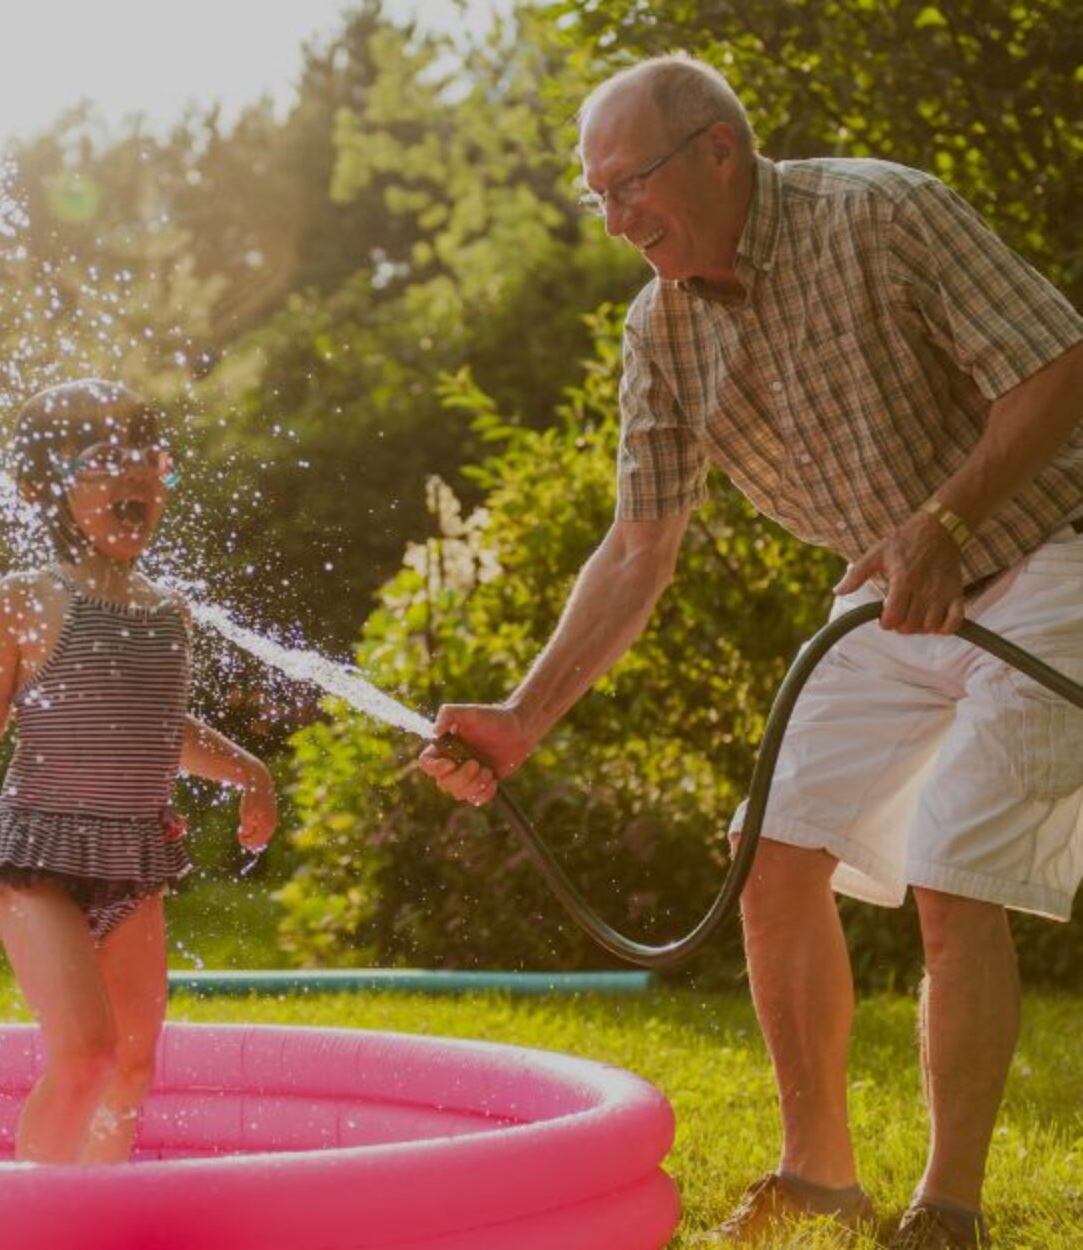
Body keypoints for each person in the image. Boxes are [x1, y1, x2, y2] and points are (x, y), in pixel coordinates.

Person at [418, 54, 1083, 1249]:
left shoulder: (880, 212)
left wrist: (946, 521)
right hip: (894, 591)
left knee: (953, 872)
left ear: (718, 150)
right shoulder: (661, 328)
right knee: (771, 852)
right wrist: (524, 716)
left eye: (631, 186)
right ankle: (819, 1173)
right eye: (599, 198)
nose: (618, 221)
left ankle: (951, 1205)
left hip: (1050, 559)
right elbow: (639, 545)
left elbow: (1061, 366)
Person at [0, 379, 278, 1165]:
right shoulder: (28, 597)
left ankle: (94, 1221)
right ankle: (34, 1226)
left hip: (130, 861)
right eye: (105, 461)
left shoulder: (168, 611)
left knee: (132, 1069)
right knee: (87, 1057)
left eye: (149, 462)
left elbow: (163, 730)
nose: (134, 477)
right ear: (43, 487)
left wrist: (250, 773)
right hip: (34, 861)